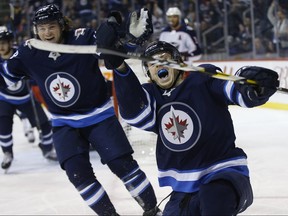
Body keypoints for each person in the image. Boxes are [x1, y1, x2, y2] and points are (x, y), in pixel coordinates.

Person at [0, 4, 160, 215]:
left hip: (99, 116)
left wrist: (126, 37)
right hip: (63, 123)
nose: (47, 33)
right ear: (35, 29)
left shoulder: (82, 37)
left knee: (122, 165)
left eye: (51, 27)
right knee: (78, 175)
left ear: (61, 25)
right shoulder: (28, 52)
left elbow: (112, 47)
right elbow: (8, 76)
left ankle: (151, 210)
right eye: (42, 28)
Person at [97, 34, 279, 214]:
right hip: (185, 189)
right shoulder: (152, 95)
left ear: (178, 62)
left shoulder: (203, 78)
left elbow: (233, 91)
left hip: (224, 174)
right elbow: (135, 114)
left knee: (212, 197)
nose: (158, 65)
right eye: (151, 63)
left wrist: (251, 88)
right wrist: (120, 67)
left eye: (164, 59)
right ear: (149, 74)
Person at [0, 27, 57, 170]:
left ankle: (47, 148)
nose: (1, 46)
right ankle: (7, 153)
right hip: (5, 99)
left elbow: (34, 70)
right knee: (3, 127)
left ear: (10, 42)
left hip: (26, 98)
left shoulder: (20, 55)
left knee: (45, 124)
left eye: (4, 42)